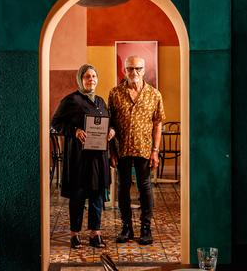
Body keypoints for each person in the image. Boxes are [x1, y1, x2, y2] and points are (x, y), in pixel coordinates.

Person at [51, 64, 115, 249]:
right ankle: (75, 234)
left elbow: (109, 123)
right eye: (87, 76)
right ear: (81, 79)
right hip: (79, 159)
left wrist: (111, 131)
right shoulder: (71, 100)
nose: (91, 80)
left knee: (96, 196)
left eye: (94, 76)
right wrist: (75, 130)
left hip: (98, 158)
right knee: (78, 196)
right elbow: (55, 123)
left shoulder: (101, 102)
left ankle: (96, 234)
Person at [108, 55, 165, 245]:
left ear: (144, 69)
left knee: (145, 187)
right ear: (124, 70)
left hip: (144, 149)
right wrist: (111, 152)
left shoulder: (154, 94)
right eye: (130, 69)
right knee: (123, 188)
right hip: (121, 148)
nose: (134, 72)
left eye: (138, 68)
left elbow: (158, 124)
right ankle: (126, 228)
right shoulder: (114, 93)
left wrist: (155, 151)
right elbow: (110, 125)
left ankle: (146, 228)